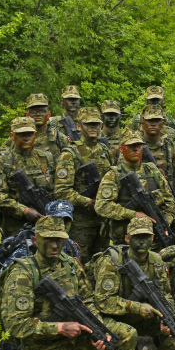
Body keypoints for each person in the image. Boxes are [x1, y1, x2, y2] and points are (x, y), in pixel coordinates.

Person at [0, 216, 138, 350]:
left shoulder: (70, 264)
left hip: (77, 331)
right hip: (43, 341)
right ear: (37, 238)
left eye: (60, 239)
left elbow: (88, 300)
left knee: (125, 335)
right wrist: (59, 328)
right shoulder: (22, 273)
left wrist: (98, 329)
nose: (55, 245)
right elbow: (15, 325)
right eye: (49, 239)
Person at [91, 217, 175, 350]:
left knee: (174, 322)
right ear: (128, 238)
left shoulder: (156, 260)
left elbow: (166, 294)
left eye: (146, 237)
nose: (142, 241)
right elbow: (102, 301)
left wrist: (165, 317)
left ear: (152, 238)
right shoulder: (113, 261)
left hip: (142, 316)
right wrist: (136, 307)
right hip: (112, 318)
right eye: (137, 237)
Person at [95, 129, 175, 247]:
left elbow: (170, 203)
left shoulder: (153, 171)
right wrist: (133, 214)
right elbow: (102, 206)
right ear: (122, 149)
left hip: (155, 240)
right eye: (131, 146)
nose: (135, 149)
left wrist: (165, 223)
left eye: (139, 146)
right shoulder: (114, 175)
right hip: (124, 242)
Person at [54, 106, 114, 256]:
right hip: (81, 224)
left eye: (96, 124)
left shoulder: (105, 152)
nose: (93, 127)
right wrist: (87, 202)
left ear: (101, 126)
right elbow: (61, 191)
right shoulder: (70, 154)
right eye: (88, 124)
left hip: (103, 222)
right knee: (80, 263)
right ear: (79, 127)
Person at [0, 116, 55, 237]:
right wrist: (23, 211)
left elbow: (56, 188)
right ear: (12, 135)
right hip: (15, 228)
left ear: (35, 135)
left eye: (29, 134)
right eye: (21, 134)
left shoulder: (46, 157)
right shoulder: (2, 161)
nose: (26, 138)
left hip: (45, 224)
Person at [141, 103, 175, 204]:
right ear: (142, 123)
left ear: (162, 124)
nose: (153, 124)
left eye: (157, 120)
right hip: (142, 203)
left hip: (168, 203)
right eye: (149, 121)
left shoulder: (170, 147)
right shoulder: (134, 146)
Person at [24, 93, 66, 158]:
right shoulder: (19, 136)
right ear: (27, 115)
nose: (37, 114)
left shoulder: (58, 137)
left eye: (42, 111)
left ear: (48, 114)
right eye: (33, 111)